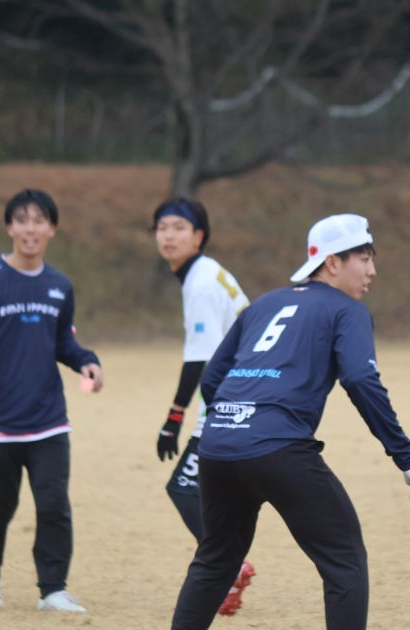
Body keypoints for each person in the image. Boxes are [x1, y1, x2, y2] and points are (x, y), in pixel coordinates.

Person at [170, 214, 410, 630]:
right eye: (364, 258)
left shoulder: (264, 304)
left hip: (218, 446)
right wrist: (403, 452)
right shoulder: (348, 310)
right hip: (279, 448)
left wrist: (237, 422)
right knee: (344, 560)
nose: (372, 270)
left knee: (216, 560)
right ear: (332, 263)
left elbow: (213, 378)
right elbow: (360, 379)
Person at [0, 189, 104, 613]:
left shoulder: (59, 285)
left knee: (54, 505)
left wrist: (87, 361)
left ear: (52, 229)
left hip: (48, 420)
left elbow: (63, 341)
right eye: (22, 220)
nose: (30, 228)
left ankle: (53, 589)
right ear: (9, 226)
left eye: (39, 220)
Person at [151, 197, 254, 616]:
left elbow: (201, 360)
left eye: (179, 227)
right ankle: (228, 566)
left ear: (199, 236)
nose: (168, 235)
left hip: (233, 396)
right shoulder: (204, 274)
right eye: (162, 227)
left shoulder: (201, 282)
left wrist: (174, 418)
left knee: (183, 486)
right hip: (242, 389)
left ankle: (229, 566)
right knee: (214, 489)